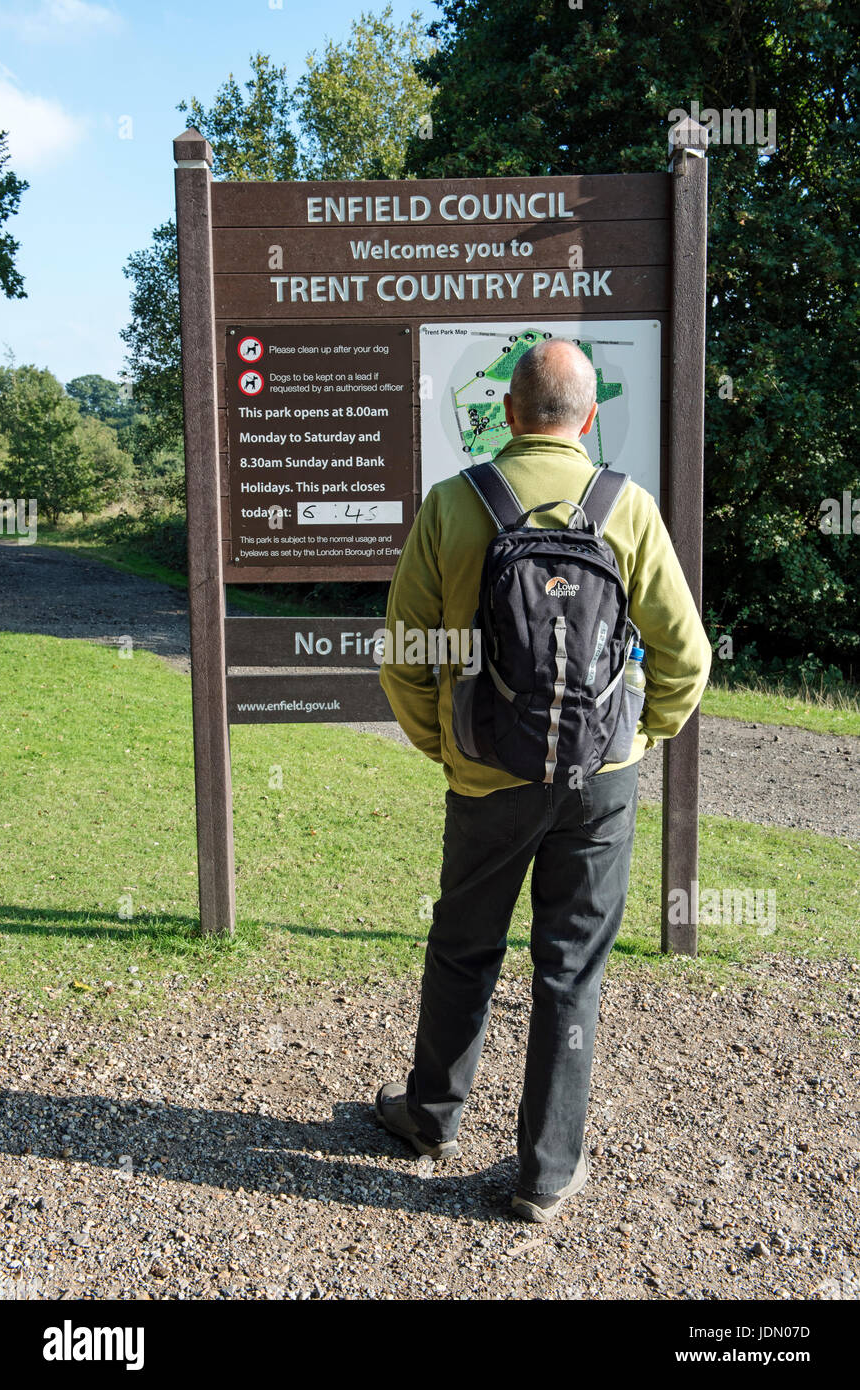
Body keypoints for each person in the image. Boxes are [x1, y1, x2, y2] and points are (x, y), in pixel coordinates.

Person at [376, 338, 711, 1222]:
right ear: (588, 417)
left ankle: (430, 1116)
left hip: (486, 773)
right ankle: (546, 1170)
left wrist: (447, 745)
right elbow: (685, 655)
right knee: (570, 967)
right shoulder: (625, 506)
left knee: (462, 948)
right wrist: (636, 737)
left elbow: (405, 655)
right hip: (598, 781)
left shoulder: (454, 504)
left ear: (508, 414)